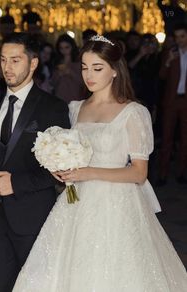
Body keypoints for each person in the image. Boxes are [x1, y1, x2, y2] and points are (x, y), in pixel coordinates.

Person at [13, 35, 187, 291]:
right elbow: (70, 149)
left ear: (115, 71)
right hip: (77, 200)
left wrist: (88, 172)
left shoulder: (133, 112)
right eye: (84, 67)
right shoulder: (76, 108)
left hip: (117, 201)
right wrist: (60, 165)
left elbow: (139, 173)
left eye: (97, 68)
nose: (88, 75)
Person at [0, 32, 70, 292]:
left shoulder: (52, 108)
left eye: (15, 60)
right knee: (1, 285)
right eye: (3, 60)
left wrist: (18, 183)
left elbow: (62, 169)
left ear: (33, 63)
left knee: (35, 285)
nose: (7, 67)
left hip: (32, 214)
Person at [158, 22, 187, 185]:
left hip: (185, 102)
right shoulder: (171, 52)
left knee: (185, 139)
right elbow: (161, 76)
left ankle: (181, 173)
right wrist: (168, 61)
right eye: (177, 37)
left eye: (182, 36)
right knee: (167, 138)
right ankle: (162, 174)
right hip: (171, 101)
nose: (179, 40)